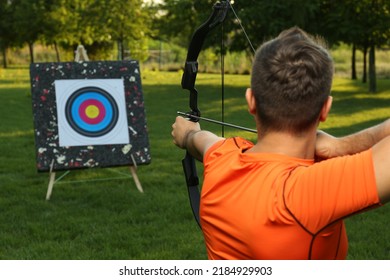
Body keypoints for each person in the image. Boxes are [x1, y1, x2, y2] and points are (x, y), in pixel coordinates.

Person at [171, 26, 390, 260]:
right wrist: (340, 147)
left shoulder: (221, 157)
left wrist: (187, 134)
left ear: (251, 100)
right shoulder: (308, 192)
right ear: (325, 108)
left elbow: (199, 139)